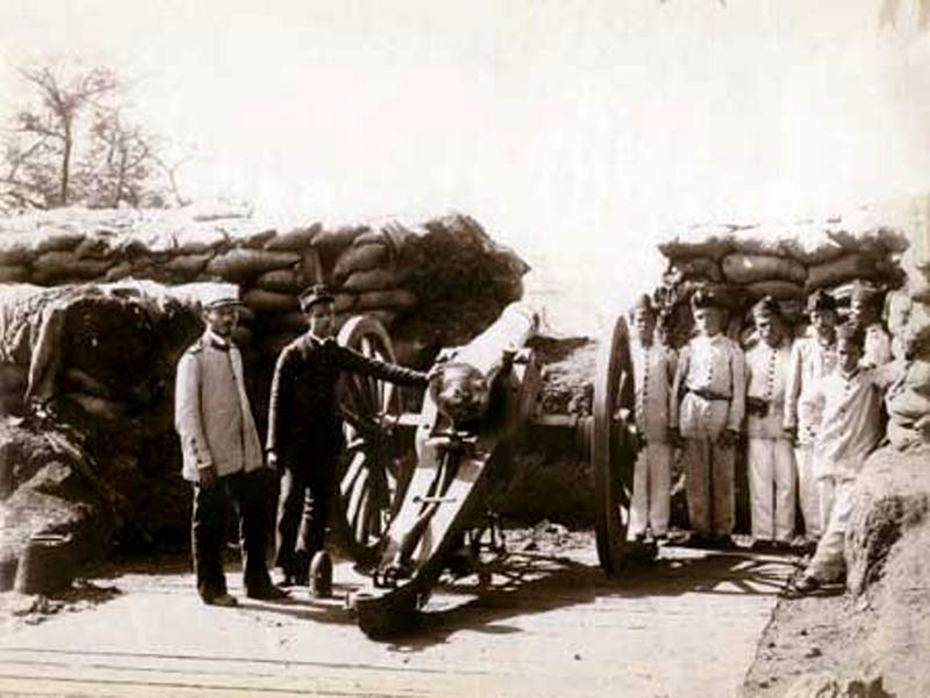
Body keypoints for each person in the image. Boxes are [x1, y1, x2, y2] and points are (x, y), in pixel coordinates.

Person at [267, 284, 432, 586]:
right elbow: (277, 403)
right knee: (290, 504)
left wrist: (423, 379)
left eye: (330, 315)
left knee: (318, 507)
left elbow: (377, 368)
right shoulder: (292, 354)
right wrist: (273, 448)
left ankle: (307, 564)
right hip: (296, 445)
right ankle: (283, 566)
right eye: (320, 316)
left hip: (327, 443)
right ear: (308, 318)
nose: (326, 321)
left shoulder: (335, 352)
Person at [175, 290, 285, 606]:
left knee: (254, 517)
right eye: (221, 312)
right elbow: (186, 415)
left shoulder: (234, 351)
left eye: (232, 312)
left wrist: (254, 451)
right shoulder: (193, 359)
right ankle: (212, 589)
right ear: (205, 316)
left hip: (242, 454)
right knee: (208, 524)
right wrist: (202, 460)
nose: (228, 318)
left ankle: (257, 582)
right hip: (211, 456)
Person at [784, 323, 894, 595]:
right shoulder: (825, 383)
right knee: (827, 518)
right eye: (842, 353)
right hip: (827, 458)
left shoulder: (870, 379)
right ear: (835, 352)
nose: (846, 359)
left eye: (852, 353)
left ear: (860, 353)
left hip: (856, 460)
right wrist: (812, 430)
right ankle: (837, 569)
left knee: (842, 518)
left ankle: (815, 574)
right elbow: (805, 404)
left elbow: (900, 369)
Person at [670, 289, 746, 547]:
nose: (706, 322)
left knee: (723, 474)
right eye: (701, 317)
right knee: (696, 474)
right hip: (693, 408)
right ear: (695, 318)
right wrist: (674, 422)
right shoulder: (689, 349)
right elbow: (678, 388)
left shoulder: (732, 350)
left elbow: (739, 392)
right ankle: (700, 529)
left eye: (711, 316)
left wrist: (733, 425)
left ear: (720, 317)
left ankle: (723, 531)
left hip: (721, 409)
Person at [783, 289, 838, 542]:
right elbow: (792, 386)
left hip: (834, 418)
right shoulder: (802, 346)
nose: (821, 321)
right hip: (808, 418)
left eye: (825, 315)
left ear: (834, 316)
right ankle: (814, 533)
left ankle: (830, 532)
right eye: (816, 316)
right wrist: (789, 419)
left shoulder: (842, 346)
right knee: (808, 477)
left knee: (829, 475)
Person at [743, 296, 796, 550]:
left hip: (785, 425)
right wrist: (750, 401)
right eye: (762, 325)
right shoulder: (750, 355)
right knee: (760, 480)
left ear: (781, 323)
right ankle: (763, 534)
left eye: (772, 323)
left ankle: (784, 535)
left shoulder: (793, 352)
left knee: (786, 481)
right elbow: (739, 388)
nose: (768, 330)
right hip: (758, 425)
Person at [627, 295, 677, 543]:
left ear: (655, 322)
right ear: (632, 323)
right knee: (637, 476)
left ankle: (659, 527)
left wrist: (673, 422)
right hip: (635, 423)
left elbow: (675, 390)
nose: (643, 324)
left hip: (660, 421)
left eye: (648, 320)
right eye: (639, 320)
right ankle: (637, 527)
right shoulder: (628, 353)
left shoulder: (665, 354)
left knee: (661, 476)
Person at [848, 281, 892, 368]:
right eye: (851, 308)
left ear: (872, 311)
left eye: (857, 308)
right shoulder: (868, 333)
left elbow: (873, 367)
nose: (851, 313)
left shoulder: (878, 337)